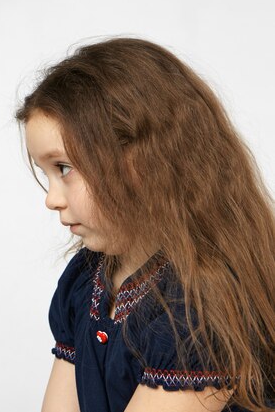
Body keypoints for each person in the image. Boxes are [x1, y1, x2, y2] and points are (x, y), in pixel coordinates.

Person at [16, 38, 275, 412]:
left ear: (141, 162)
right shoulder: (84, 280)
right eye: (47, 173)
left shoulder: (200, 304)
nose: (51, 198)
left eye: (65, 168)